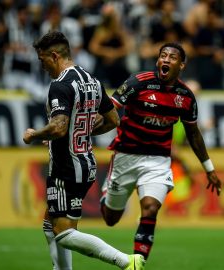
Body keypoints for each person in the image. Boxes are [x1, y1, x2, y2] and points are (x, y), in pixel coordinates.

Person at [22, 31, 145, 270]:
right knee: (51, 224)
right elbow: (112, 120)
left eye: (42, 59)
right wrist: (81, 131)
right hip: (85, 163)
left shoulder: (60, 85)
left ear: (54, 56)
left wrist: (34, 135)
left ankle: (126, 262)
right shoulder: (92, 80)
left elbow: (58, 128)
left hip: (65, 167)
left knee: (64, 233)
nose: (42, 66)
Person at [100, 42, 222, 260]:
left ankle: (137, 263)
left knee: (150, 208)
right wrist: (80, 132)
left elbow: (194, 134)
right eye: (163, 56)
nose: (166, 60)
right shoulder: (137, 83)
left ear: (181, 65)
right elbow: (109, 112)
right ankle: (106, 192)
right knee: (111, 219)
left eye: (172, 57)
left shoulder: (185, 97)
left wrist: (209, 168)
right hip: (126, 156)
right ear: (158, 61)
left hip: (158, 160)